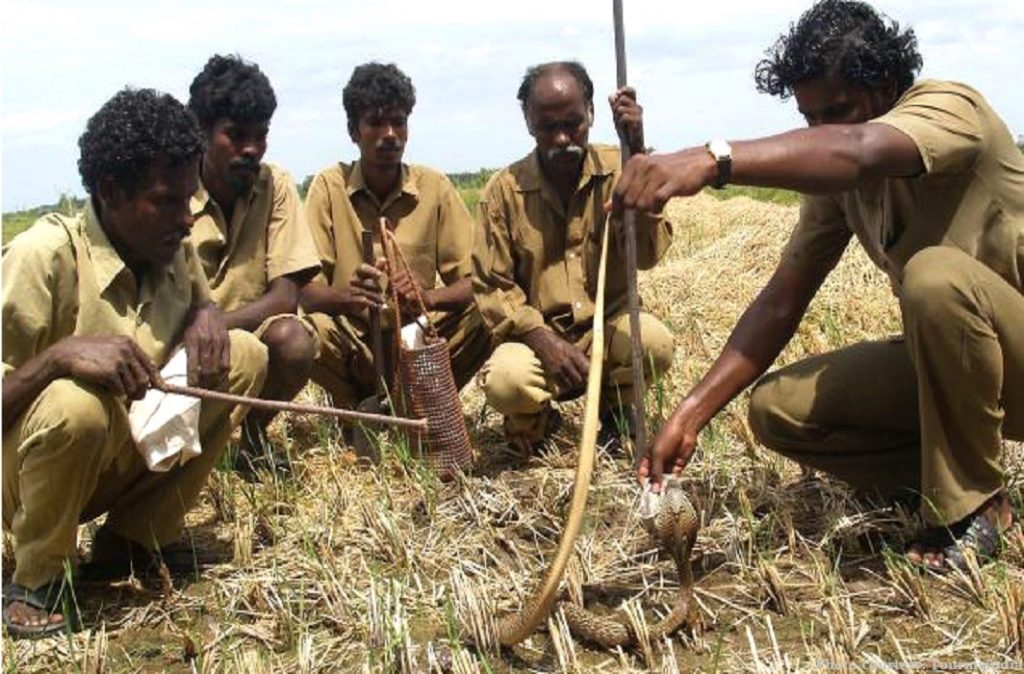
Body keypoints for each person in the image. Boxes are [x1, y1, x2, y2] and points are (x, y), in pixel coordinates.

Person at [615, 0, 1023, 571]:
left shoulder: (949, 108)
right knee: (778, 409)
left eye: (836, 111)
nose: (821, 131)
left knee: (934, 277)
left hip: (1017, 357)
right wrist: (690, 414)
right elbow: (783, 298)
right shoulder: (839, 188)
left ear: (884, 83)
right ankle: (945, 478)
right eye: (810, 119)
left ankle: (975, 506)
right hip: (958, 368)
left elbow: (858, 152)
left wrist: (714, 160)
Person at [1, 88, 268, 637]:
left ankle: (132, 541)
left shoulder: (172, 249)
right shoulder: (42, 258)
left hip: (113, 459)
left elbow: (202, 304)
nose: (187, 220)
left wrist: (206, 315)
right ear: (111, 192)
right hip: (26, 477)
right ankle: (39, 578)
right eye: (166, 202)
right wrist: (56, 359)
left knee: (241, 357)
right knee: (77, 406)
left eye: (189, 201)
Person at [473, 61, 675, 453]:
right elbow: (492, 287)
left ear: (592, 114)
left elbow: (648, 256)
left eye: (573, 124)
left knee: (652, 342)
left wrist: (639, 162)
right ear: (528, 121)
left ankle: (616, 410)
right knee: (506, 380)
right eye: (549, 128)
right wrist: (542, 340)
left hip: (607, 328)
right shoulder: (503, 192)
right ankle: (535, 421)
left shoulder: (622, 170)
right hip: (536, 341)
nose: (563, 138)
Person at [302, 62, 490, 408]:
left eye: (399, 122)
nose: (390, 134)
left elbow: (475, 281)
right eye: (375, 123)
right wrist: (352, 297)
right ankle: (355, 406)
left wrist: (427, 299)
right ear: (353, 131)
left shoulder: (434, 187)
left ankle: (425, 402)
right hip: (356, 343)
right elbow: (307, 292)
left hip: (418, 338)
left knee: (491, 312)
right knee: (303, 331)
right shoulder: (329, 187)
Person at [187, 54, 320, 476]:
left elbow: (285, 296)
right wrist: (193, 330)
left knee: (295, 341)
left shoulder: (274, 184)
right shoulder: (173, 188)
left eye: (260, 136)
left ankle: (253, 436)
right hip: (178, 338)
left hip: (248, 334)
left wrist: (215, 327)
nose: (251, 149)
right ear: (202, 132)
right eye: (236, 135)